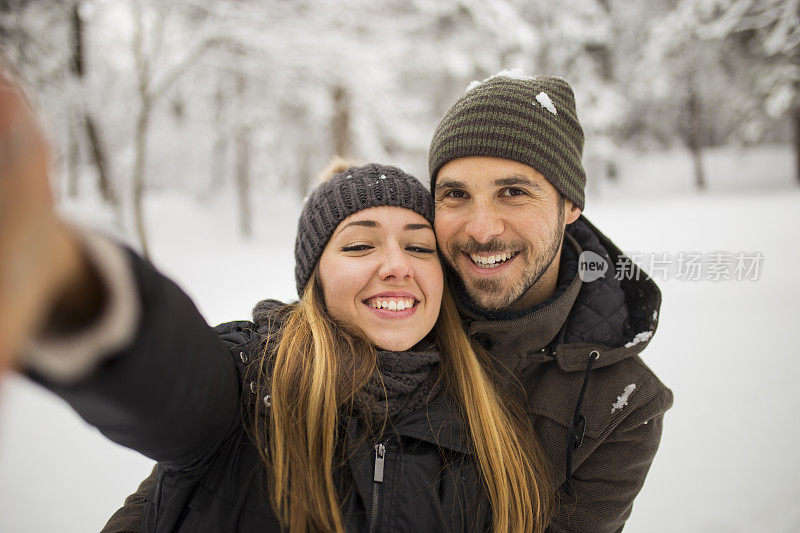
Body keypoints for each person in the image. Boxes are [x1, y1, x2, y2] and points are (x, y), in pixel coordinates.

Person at [1, 65, 558, 531]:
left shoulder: (490, 426)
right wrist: (70, 283)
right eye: (360, 244)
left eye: (420, 248)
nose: (395, 266)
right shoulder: (251, 383)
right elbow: (170, 380)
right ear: (313, 280)